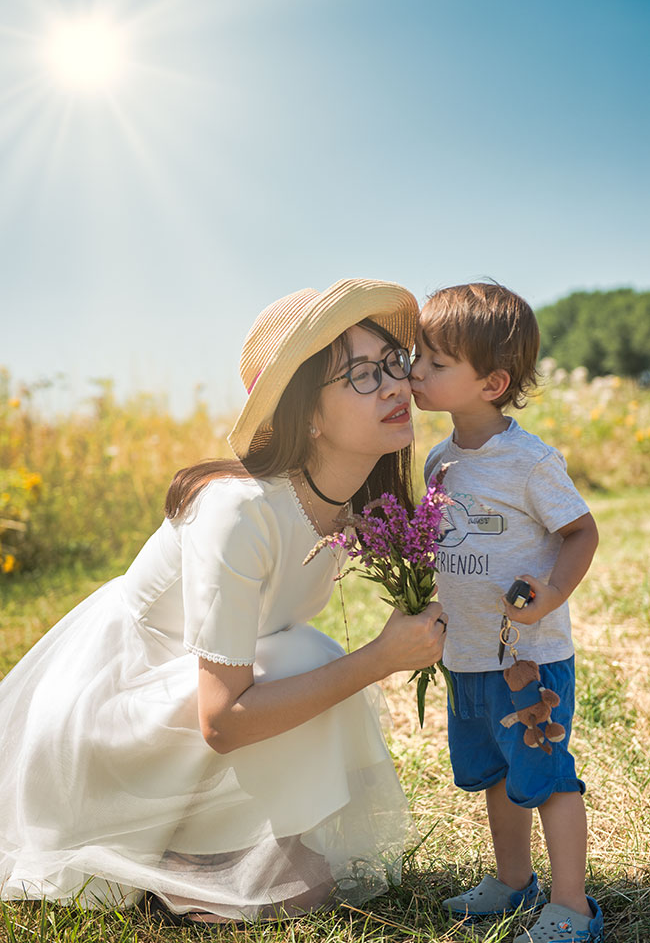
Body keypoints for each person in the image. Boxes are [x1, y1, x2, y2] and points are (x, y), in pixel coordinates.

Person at [0, 278, 448, 926]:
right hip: (115, 727)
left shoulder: (354, 511)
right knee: (306, 655)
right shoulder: (238, 512)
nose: (394, 387)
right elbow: (223, 718)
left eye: (393, 365)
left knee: (297, 655)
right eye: (359, 374)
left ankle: (218, 843)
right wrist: (380, 658)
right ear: (307, 415)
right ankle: (169, 853)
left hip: (191, 705)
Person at [410, 282, 603, 943]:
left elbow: (582, 533)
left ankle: (573, 907)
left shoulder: (529, 462)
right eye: (418, 357)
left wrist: (549, 593)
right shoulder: (439, 462)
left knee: (545, 778)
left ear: (491, 382)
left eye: (436, 363)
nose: (415, 373)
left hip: (529, 660)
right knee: (495, 772)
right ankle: (515, 881)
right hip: (467, 654)